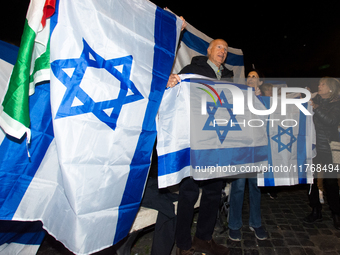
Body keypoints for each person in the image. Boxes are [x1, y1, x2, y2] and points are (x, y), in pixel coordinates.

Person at [167, 39, 232, 255]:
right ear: (209, 50)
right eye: (219, 47)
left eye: (225, 49)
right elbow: (175, 95)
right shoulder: (193, 70)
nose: (222, 51)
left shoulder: (229, 77)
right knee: (189, 192)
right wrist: (171, 83)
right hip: (195, 141)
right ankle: (183, 244)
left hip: (218, 143)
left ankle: (203, 238)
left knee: (214, 192)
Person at [228, 70, 268, 242]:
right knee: (237, 188)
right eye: (249, 77)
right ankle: (234, 225)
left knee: (255, 188)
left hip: (257, 151)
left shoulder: (266, 101)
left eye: (254, 77)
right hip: (240, 150)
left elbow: (270, 120)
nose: (251, 79)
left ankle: (255, 222)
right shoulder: (239, 97)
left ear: (260, 83)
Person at [303, 77, 340, 230]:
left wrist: (316, 107)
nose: (319, 85)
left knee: (330, 182)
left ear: (330, 88)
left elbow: (331, 121)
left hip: (328, 150)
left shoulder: (336, 104)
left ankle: (336, 213)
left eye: (322, 84)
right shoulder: (315, 99)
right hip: (313, 148)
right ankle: (316, 210)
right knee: (311, 181)